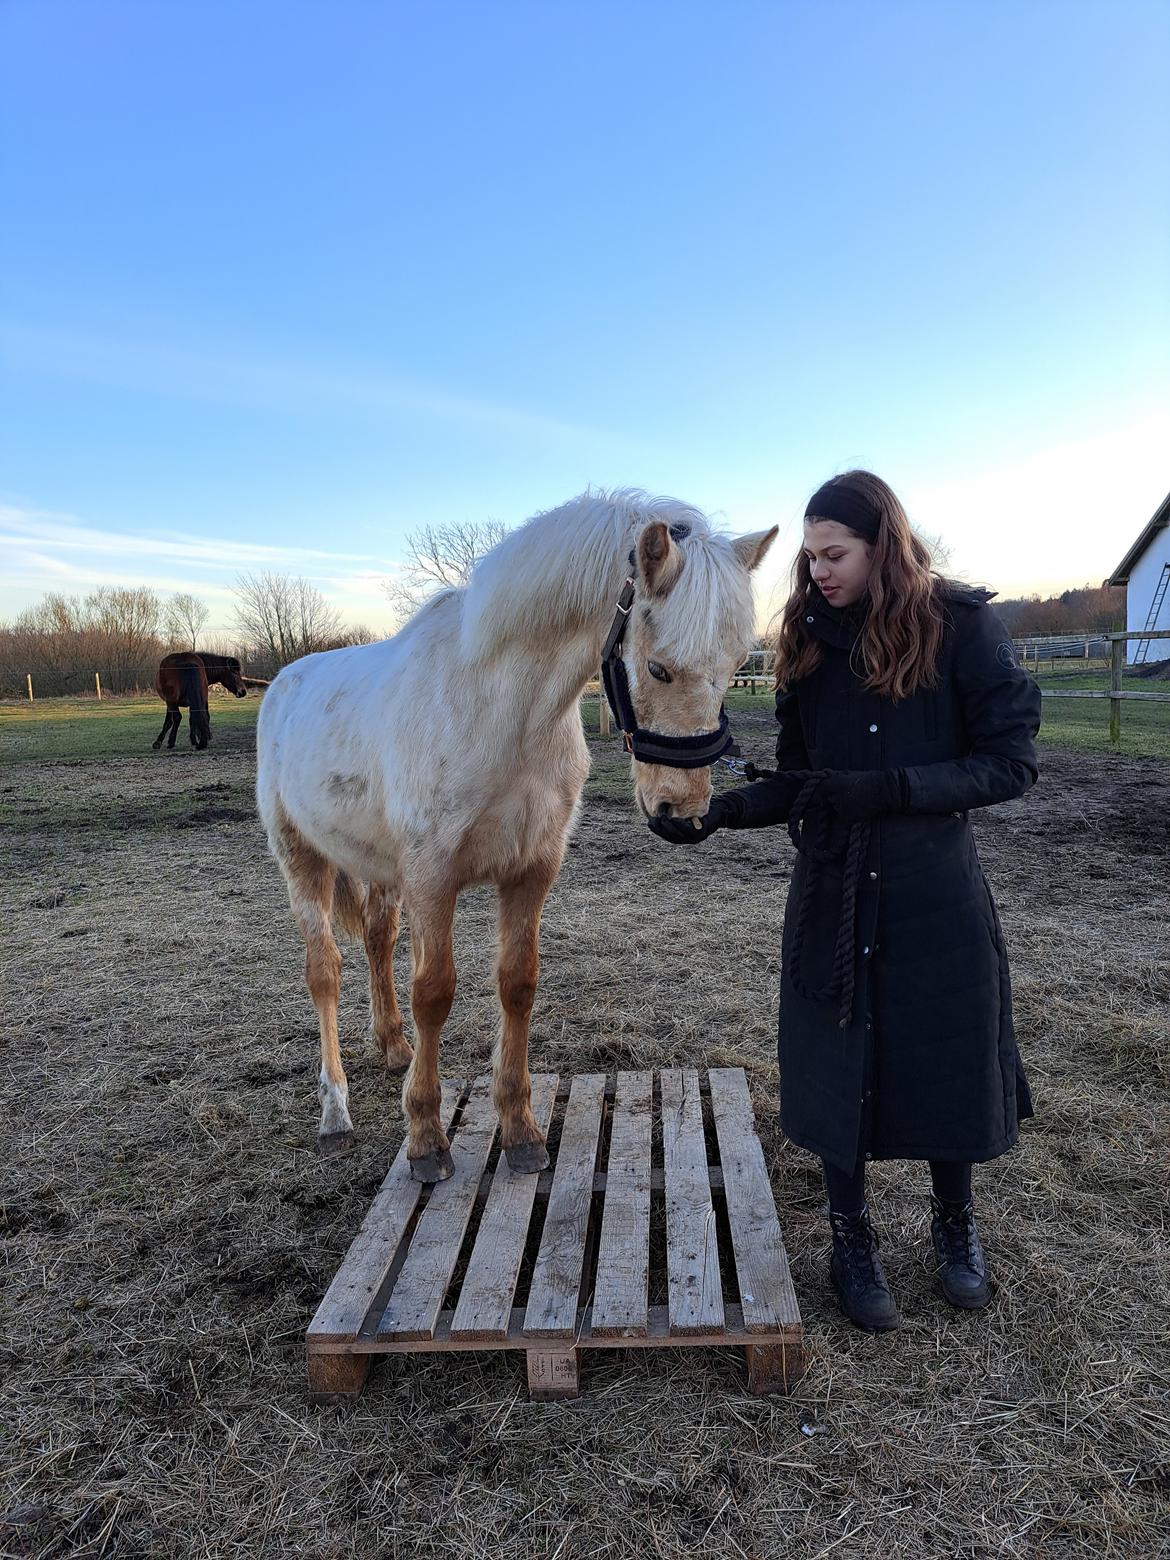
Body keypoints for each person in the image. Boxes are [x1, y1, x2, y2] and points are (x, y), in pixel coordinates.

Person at [648, 470, 1041, 1331]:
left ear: (881, 546)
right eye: (812, 555)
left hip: (933, 889)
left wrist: (892, 788)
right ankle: (849, 1234)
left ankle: (954, 1225)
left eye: (837, 554)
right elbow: (799, 778)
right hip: (831, 887)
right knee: (837, 1059)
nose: (819, 570)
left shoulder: (962, 629)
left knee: (944, 1054)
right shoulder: (809, 640)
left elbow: (1010, 762)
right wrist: (722, 812)